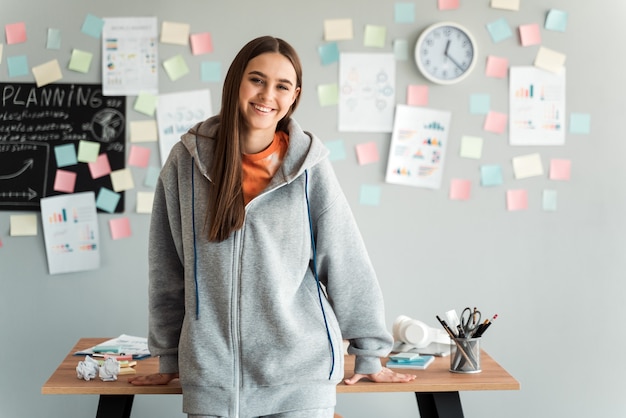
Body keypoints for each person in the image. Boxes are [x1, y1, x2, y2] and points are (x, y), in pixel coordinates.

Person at [128, 35, 416, 418]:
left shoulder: (309, 168)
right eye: (257, 79)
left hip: (299, 377)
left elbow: (345, 260)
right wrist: (166, 356)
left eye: (282, 86)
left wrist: (369, 354)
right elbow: (167, 268)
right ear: (236, 82)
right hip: (212, 379)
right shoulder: (186, 162)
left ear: (294, 96)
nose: (267, 95)